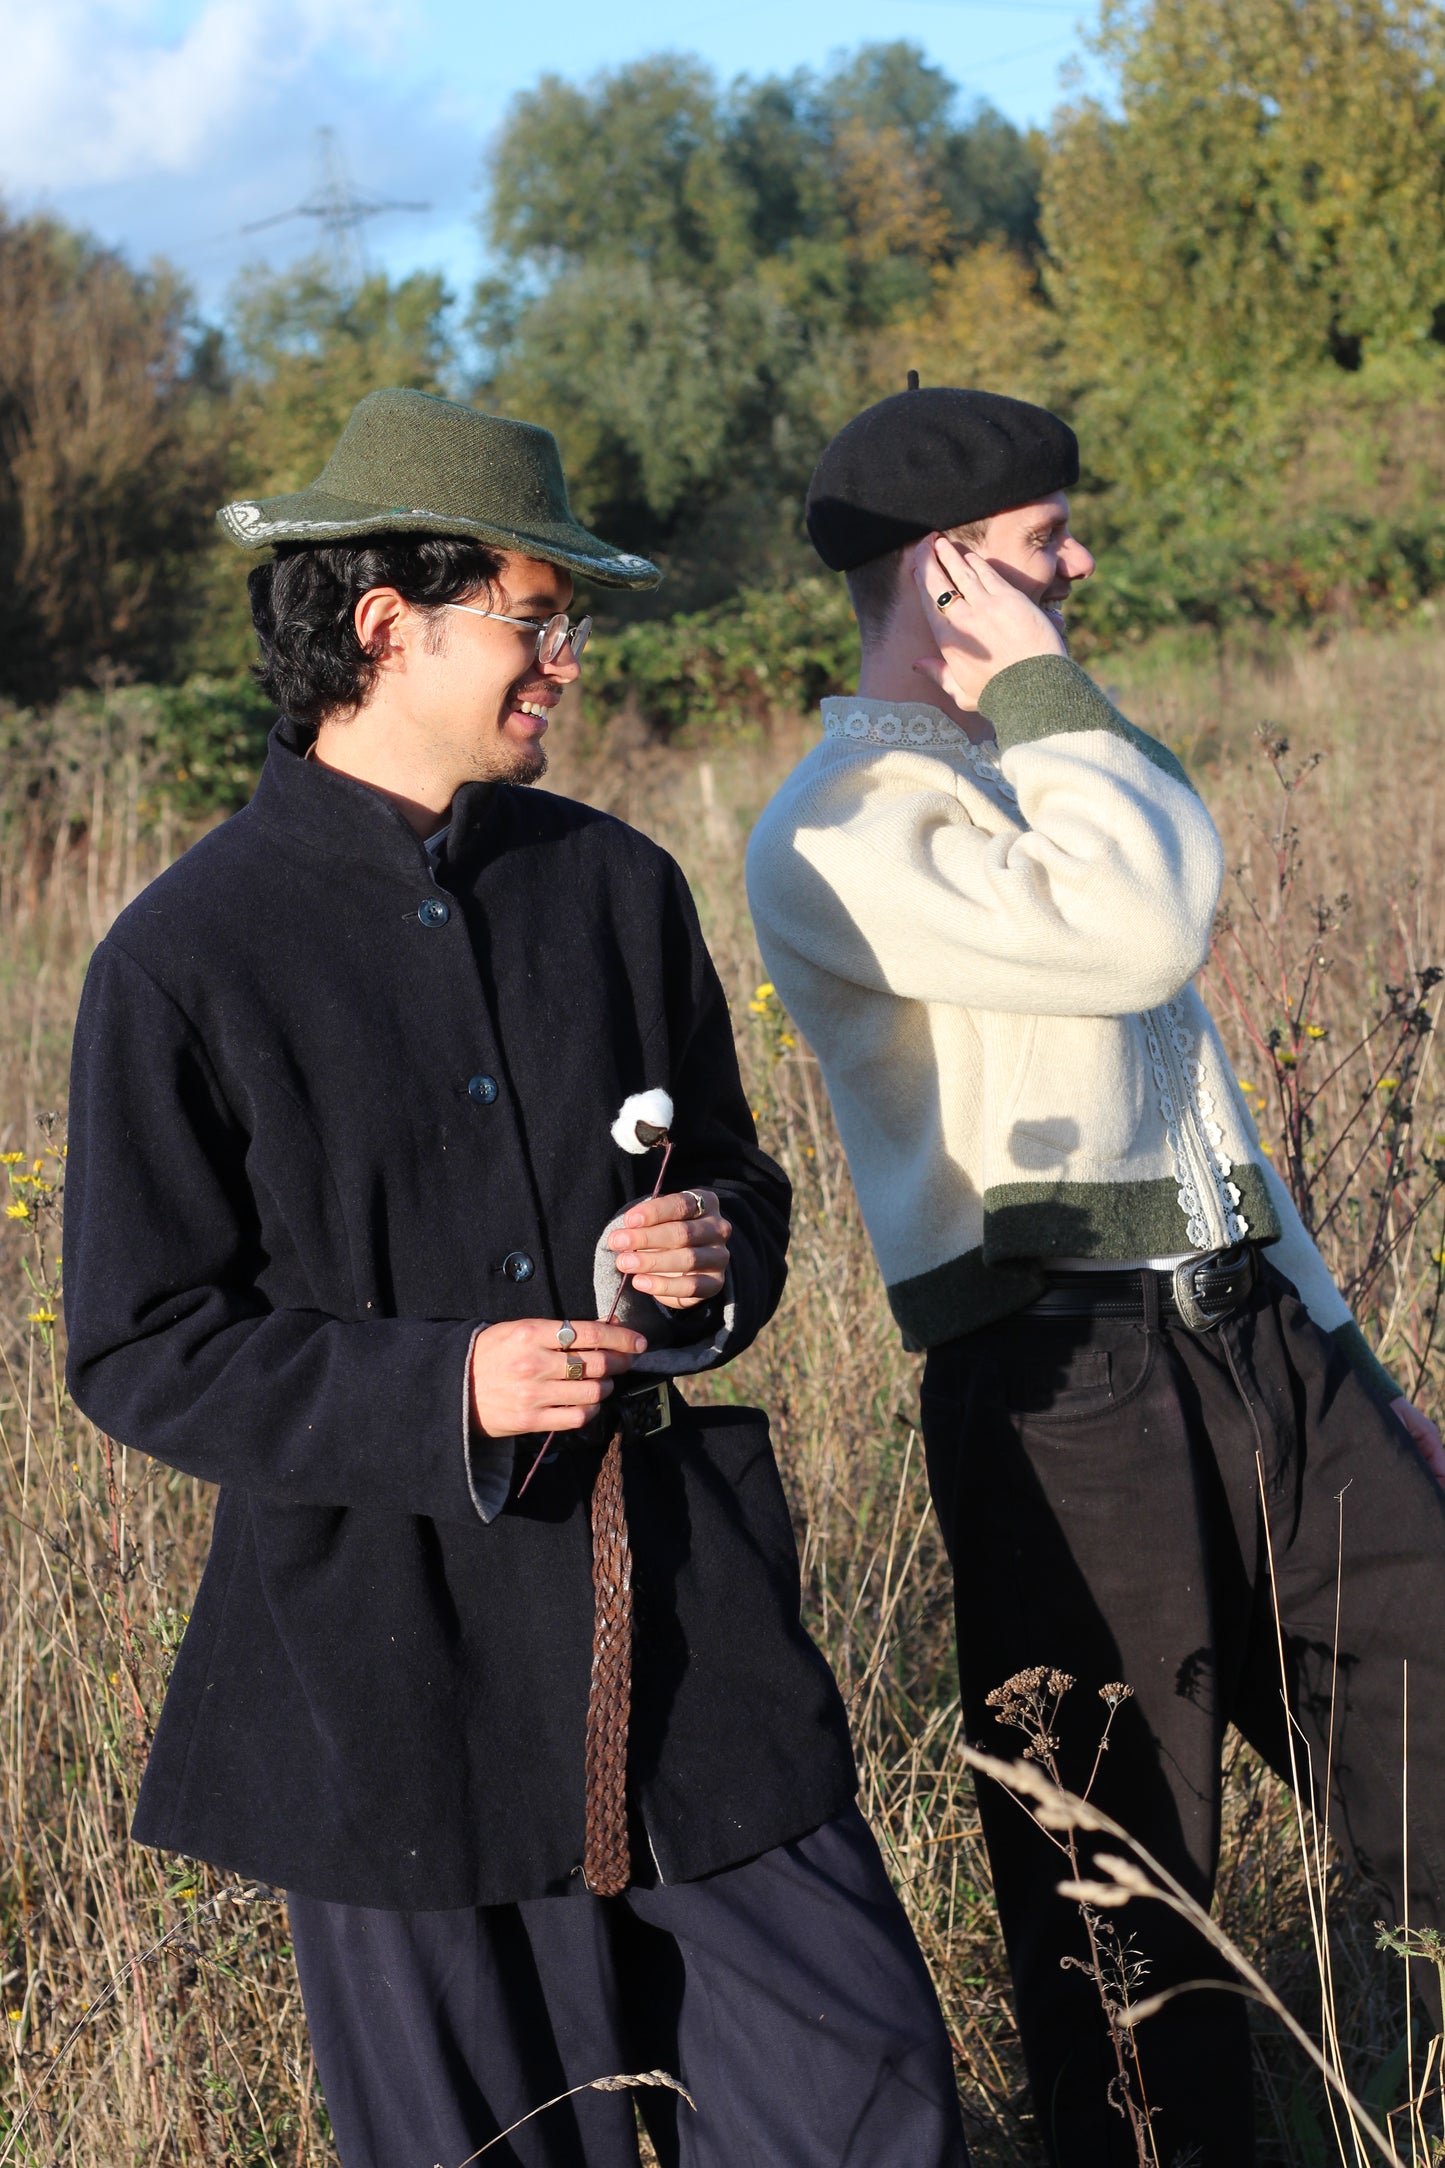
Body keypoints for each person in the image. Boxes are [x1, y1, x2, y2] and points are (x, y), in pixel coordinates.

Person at [62, 387, 971, 2168]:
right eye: (533, 617)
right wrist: (441, 1390)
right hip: (390, 1685)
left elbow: (736, 1184)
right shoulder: (183, 957)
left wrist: (704, 1257)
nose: (566, 657)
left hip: (687, 1640)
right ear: (384, 624)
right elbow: (140, 1347)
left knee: (862, 2100)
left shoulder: (617, 888)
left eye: (571, 621)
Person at [745, 381, 1445, 2167]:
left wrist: (1354, 1368)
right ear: (950, 571)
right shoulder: (841, 823)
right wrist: (1044, 687)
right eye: (1045, 540)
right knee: (1119, 1901)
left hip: (1255, 1332)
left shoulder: (1037, 769)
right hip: (1061, 1389)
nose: (1080, 560)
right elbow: (1142, 926)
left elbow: (1196, 1098)